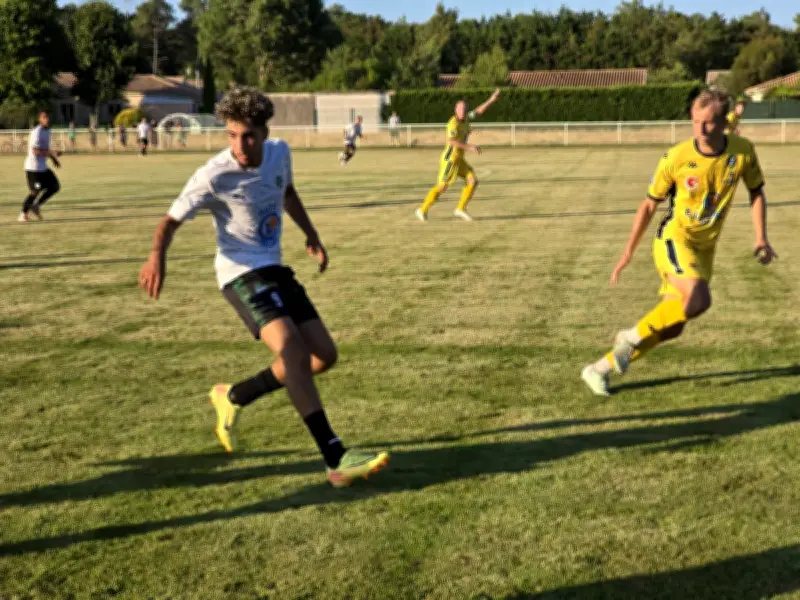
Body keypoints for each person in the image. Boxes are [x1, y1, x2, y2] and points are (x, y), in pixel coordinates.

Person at [138, 86, 389, 487]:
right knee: (290, 349)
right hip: (239, 273)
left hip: (274, 268)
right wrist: (156, 256)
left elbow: (286, 192)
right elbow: (169, 222)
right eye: (231, 135)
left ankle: (234, 396)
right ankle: (335, 457)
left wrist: (311, 234)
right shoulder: (213, 174)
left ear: (265, 132)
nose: (239, 145)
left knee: (322, 356)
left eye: (248, 135)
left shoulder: (280, 153)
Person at [581, 89, 777, 396]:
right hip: (673, 237)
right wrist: (627, 253)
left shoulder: (742, 152)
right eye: (695, 121)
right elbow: (649, 205)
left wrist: (761, 238)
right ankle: (630, 338)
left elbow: (756, 192)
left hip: (704, 248)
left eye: (709, 122)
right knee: (699, 299)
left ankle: (599, 369)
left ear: (724, 122)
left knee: (674, 325)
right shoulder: (676, 157)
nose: (700, 129)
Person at [415, 88, 501, 222]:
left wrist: (492, 100)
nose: (463, 112)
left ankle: (460, 209)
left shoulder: (466, 118)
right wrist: (470, 147)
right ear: (455, 110)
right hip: (450, 160)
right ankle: (422, 209)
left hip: (459, 159)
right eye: (460, 109)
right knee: (442, 187)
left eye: (465, 109)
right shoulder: (452, 124)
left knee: (473, 181)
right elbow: (452, 141)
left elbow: (479, 111)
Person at [19, 110, 61, 222]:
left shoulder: (48, 131)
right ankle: (23, 214)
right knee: (35, 191)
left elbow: (45, 149)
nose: (47, 119)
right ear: (40, 119)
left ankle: (36, 205)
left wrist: (54, 159)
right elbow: (35, 151)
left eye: (48, 117)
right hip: (33, 168)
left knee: (55, 186)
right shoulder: (36, 132)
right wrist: (52, 154)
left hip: (43, 168)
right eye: (44, 117)